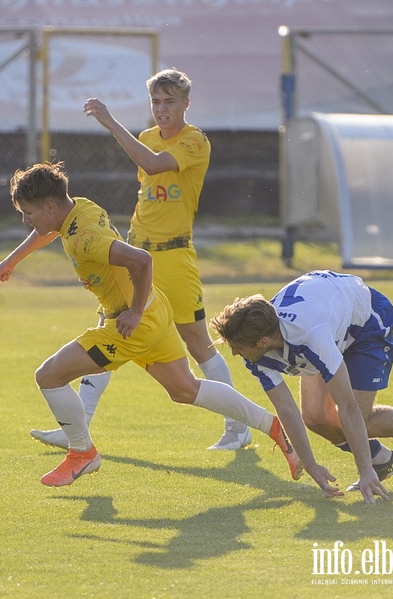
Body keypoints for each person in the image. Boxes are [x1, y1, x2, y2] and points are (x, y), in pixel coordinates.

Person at [0, 162, 307, 488]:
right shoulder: (78, 207)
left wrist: (134, 312)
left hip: (131, 325)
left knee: (49, 376)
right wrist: (10, 261)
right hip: (156, 308)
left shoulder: (85, 238)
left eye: (27, 213)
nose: (25, 220)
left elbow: (143, 261)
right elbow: (47, 231)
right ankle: (273, 427)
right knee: (185, 389)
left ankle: (82, 453)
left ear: (49, 206)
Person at [30, 68, 250, 452]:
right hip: (136, 251)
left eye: (169, 102)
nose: (162, 109)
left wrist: (110, 122)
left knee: (198, 344)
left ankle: (239, 427)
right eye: (156, 102)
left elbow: (152, 165)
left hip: (173, 255)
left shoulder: (195, 141)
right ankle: (77, 428)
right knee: (110, 328)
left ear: (186, 104)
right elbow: (147, 181)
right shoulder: (147, 137)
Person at [211, 269, 393, 504]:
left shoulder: (310, 336)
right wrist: (310, 465)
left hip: (366, 323)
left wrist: (363, 470)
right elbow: (285, 408)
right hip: (329, 321)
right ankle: (381, 460)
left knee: (360, 417)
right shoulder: (257, 348)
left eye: (237, 346)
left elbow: (348, 406)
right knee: (316, 417)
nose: (233, 352)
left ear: (263, 341)